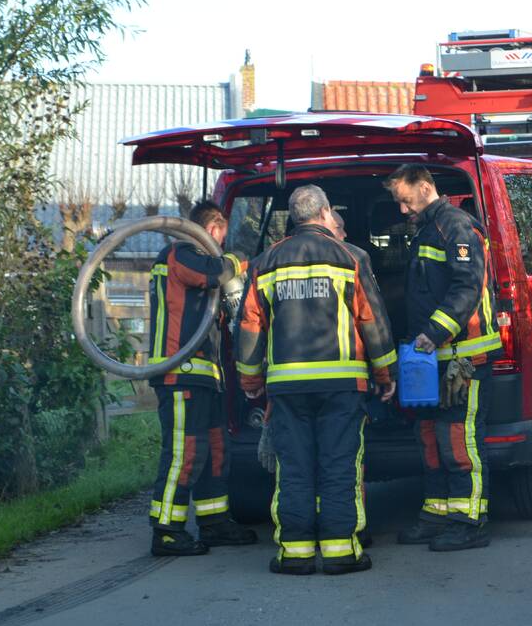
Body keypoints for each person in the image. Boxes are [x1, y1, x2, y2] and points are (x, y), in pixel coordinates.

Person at [237, 185, 397, 575]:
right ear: (325, 212)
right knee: (339, 466)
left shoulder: (265, 262)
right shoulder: (352, 257)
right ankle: (342, 553)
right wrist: (385, 373)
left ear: (293, 217)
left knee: (294, 468)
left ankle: (295, 554)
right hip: (342, 386)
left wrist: (249, 381)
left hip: (287, 388)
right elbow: (372, 321)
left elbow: (250, 326)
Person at [384, 164, 502, 552]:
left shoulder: (455, 226)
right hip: (434, 358)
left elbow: (466, 287)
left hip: (462, 359)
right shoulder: (428, 229)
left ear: (425, 187)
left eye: (405, 200)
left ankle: (470, 520)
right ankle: (437, 514)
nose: (402, 210)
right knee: (431, 437)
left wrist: (432, 334)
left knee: (460, 439)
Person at [147, 200, 258, 556]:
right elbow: (215, 273)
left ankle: (214, 522)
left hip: (204, 376)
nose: (221, 244)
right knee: (184, 452)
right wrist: (241, 260)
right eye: (221, 238)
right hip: (178, 374)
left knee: (215, 450)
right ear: (211, 230)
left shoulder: (194, 258)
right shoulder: (179, 254)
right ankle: (166, 530)